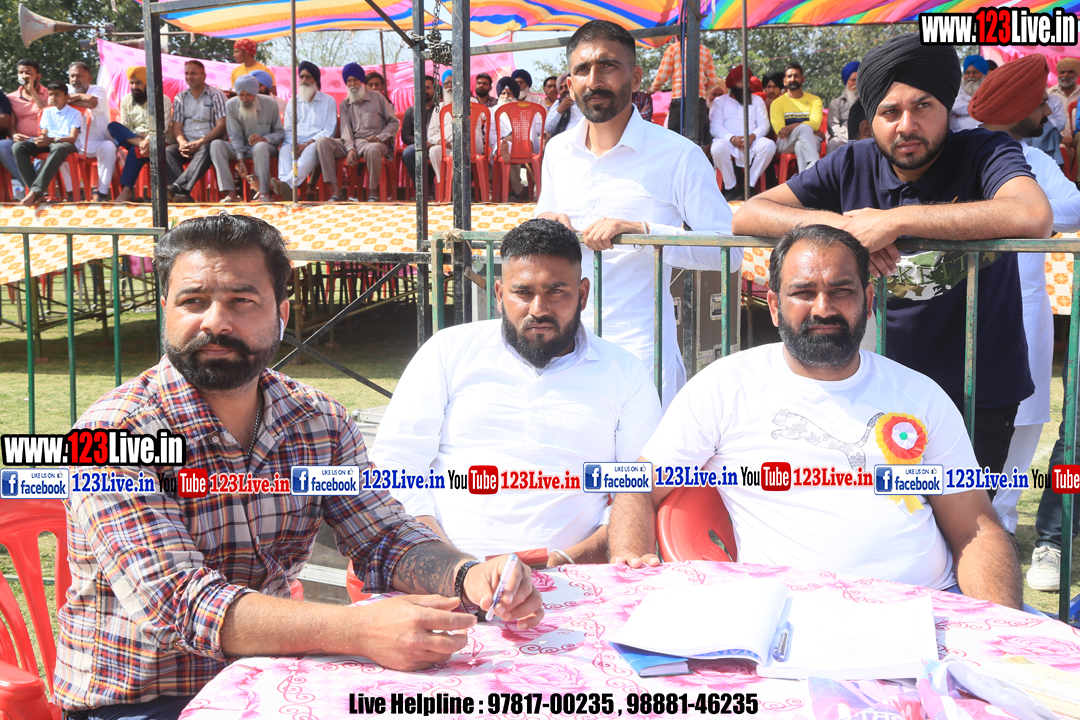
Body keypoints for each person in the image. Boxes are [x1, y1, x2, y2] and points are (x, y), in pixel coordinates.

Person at [54, 213, 543, 720]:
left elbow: (383, 535)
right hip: (143, 702)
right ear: (165, 310)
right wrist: (358, 630)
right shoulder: (111, 436)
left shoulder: (318, 420)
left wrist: (467, 575)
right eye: (193, 301)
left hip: (275, 680)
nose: (215, 322)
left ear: (281, 313)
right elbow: (179, 603)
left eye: (241, 301)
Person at [607, 224, 1023, 611]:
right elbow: (637, 486)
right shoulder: (725, 387)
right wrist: (633, 563)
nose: (823, 308)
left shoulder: (920, 395)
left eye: (841, 291)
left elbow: (976, 529)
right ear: (774, 306)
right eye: (803, 292)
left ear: (868, 301)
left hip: (932, 607)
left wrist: (1001, 632)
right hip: (794, 616)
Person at [732, 32, 1054, 477]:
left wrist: (896, 222)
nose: (906, 125)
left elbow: (1032, 214)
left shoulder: (983, 150)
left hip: (979, 391)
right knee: (891, 511)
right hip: (884, 391)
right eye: (890, 112)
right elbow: (750, 213)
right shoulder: (853, 162)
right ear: (872, 118)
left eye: (923, 106)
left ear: (946, 108)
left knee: (970, 515)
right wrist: (846, 228)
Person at [372, 218, 661, 563]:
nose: (538, 310)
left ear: (582, 295)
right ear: (499, 294)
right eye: (523, 293)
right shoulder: (448, 352)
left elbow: (636, 488)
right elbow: (396, 464)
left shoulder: (625, 372)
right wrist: (450, 565)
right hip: (442, 570)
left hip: (577, 574)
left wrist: (570, 559)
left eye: (556, 292)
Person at [534, 19, 736, 408]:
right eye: (582, 69)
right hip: (563, 348)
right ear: (570, 82)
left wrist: (643, 233)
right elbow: (544, 223)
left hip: (642, 352)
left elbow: (729, 252)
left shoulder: (678, 154)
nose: (594, 80)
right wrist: (546, 226)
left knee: (643, 449)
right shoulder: (558, 151)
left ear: (636, 76)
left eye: (608, 65)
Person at [970, 56, 1080, 537]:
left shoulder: (1034, 161)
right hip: (963, 312)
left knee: (1027, 418)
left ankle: (1005, 523)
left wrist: (1022, 210)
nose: (1046, 112)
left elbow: (1075, 208)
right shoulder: (959, 155)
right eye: (1039, 104)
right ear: (1019, 111)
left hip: (1024, 310)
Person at [316, 63, 399, 202]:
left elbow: (394, 122)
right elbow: (345, 130)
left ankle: (373, 192)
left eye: (355, 80)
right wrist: (350, 148)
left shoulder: (377, 97)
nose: (352, 84)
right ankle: (336, 190)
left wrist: (380, 137)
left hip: (372, 143)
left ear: (361, 80)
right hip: (351, 142)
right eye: (349, 81)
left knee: (373, 149)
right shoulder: (344, 104)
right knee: (322, 142)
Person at [210, 74, 283, 203]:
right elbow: (235, 135)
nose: (244, 99)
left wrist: (264, 138)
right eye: (241, 95)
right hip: (241, 147)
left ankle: (264, 193)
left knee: (260, 146)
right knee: (216, 145)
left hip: (265, 148)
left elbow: (280, 132)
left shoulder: (270, 104)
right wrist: (241, 160)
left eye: (248, 95)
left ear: (255, 92)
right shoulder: (231, 105)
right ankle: (231, 194)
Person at [708, 65, 775, 201]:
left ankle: (748, 184)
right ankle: (731, 187)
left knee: (769, 146)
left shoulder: (757, 101)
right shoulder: (720, 102)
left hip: (752, 140)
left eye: (747, 81)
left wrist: (752, 136)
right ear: (733, 84)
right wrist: (732, 138)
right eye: (741, 82)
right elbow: (715, 126)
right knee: (717, 148)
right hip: (728, 141)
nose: (745, 85)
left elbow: (764, 125)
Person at [109, 66, 174, 204]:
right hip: (137, 139)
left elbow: (161, 127)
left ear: (147, 83)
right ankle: (141, 144)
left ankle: (126, 192)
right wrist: (142, 140)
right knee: (113, 126)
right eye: (132, 83)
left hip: (160, 142)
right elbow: (126, 127)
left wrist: (149, 139)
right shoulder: (126, 100)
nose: (134, 87)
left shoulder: (162, 99)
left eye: (138, 83)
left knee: (135, 150)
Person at [167, 60, 228, 202]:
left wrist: (200, 142)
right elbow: (177, 127)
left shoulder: (216, 95)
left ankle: (178, 187)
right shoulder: (180, 98)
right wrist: (182, 143)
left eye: (193, 73)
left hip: (209, 143)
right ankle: (182, 193)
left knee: (207, 147)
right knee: (168, 151)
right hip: (188, 144)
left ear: (203, 75)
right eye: (187, 73)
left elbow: (221, 126)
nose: (189, 77)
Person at [13, 81, 81, 207]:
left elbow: (72, 138)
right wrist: (40, 140)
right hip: (49, 142)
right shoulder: (46, 112)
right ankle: (37, 193)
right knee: (18, 147)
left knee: (58, 148)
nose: (53, 98)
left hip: (64, 143)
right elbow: (43, 134)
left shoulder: (75, 113)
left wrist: (51, 140)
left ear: (66, 97)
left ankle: (34, 192)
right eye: (50, 94)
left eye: (57, 94)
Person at [276, 61, 336, 201]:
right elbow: (288, 128)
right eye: (302, 77)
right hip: (295, 142)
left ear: (316, 80)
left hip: (315, 143)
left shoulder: (329, 101)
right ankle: (284, 182)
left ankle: (287, 184)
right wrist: (295, 144)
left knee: (312, 149)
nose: (304, 80)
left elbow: (329, 130)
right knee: (284, 149)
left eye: (308, 77)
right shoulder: (293, 102)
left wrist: (307, 143)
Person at [649, 40, 718, 146]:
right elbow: (713, 81)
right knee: (697, 140)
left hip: (679, 98)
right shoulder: (705, 51)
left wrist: (652, 89)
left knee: (674, 139)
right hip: (699, 100)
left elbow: (662, 77)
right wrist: (701, 89)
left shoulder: (673, 48)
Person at [67, 61, 116, 202]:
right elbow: (54, 102)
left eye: (79, 76)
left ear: (89, 78)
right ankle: (73, 192)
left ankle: (102, 193)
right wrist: (82, 98)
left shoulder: (99, 90)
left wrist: (70, 100)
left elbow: (93, 103)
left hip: (97, 142)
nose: (75, 80)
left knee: (109, 147)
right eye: (72, 76)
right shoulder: (66, 89)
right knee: (59, 148)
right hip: (75, 141)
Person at [1, 60, 51, 196]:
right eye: (21, 73)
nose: (24, 76)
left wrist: (33, 92)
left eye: (28, 73)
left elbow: (49, 114)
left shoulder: (50, 93)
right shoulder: (11, 97)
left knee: (44, 155)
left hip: (45, 139)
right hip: (23, 141)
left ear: (38, 76)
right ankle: (34, 189)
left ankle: (31, 192)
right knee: (2, 146)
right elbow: (11, 124)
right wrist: (14, 135)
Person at [489, 77, 543, 200]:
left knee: (513, 148)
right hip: (502, 142)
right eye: (503, 93)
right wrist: (504, 138)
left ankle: (519, 191)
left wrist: (519, 137)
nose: (506, 96)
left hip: (523, 143)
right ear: (499, 95)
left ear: (515, 94)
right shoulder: (493, 111)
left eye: (509, 93)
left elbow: (535, 128)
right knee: (506, 146)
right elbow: (491, 134)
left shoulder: (526, 109)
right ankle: (520, 191)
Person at [769, 62, 823, 175]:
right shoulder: (777, 103)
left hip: (810, 140)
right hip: (785, 142)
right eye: (789, 76)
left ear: (803, 79)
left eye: (796, 76)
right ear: (784, 81)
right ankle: (817, 167)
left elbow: (816, 124)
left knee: (800, 145)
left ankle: (806, 181)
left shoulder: (815, 100)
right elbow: (781, 131)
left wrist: (792, 126)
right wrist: (804, 127)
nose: (793, 79)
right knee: (804, 128)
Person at [402, 75, 435, 185]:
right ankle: (421, 189)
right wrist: (421, 142)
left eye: (428, 88)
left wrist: (433, 143)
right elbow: (405, 136)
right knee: (408, 153)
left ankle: (441, 190)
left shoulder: (440, 109)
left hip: (437, 145)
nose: (424, 91)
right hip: (418, 146)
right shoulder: (411, 111)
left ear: (434, 90)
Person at [826, 60, 859, 154]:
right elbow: (834, 127)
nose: (856, 83)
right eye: (853, 80)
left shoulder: (868, 101)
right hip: (844, 139)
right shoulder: (836, 103)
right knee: (833, 143)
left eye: (858, 80)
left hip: (866, 137)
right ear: (846, 81)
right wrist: (852, 137)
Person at [950, 55, 987, 132]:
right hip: (958, 134)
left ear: (983, 73)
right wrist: (982, 105)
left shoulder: (989, 89)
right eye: (967, 73)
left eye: (975, 72)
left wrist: (968, 106)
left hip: (984, 133)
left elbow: (991, 107)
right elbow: (956, 107)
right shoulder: (957, 88)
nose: (971, 76)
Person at [1052, 58, 1080, 159]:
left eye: (1070, 72)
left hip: (1077, 139)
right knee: (1059, 149)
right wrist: (1060, 137)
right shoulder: (1049, 94)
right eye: (1062, 72)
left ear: (1077, 74)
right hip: (1055, 140)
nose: (1065, 75)